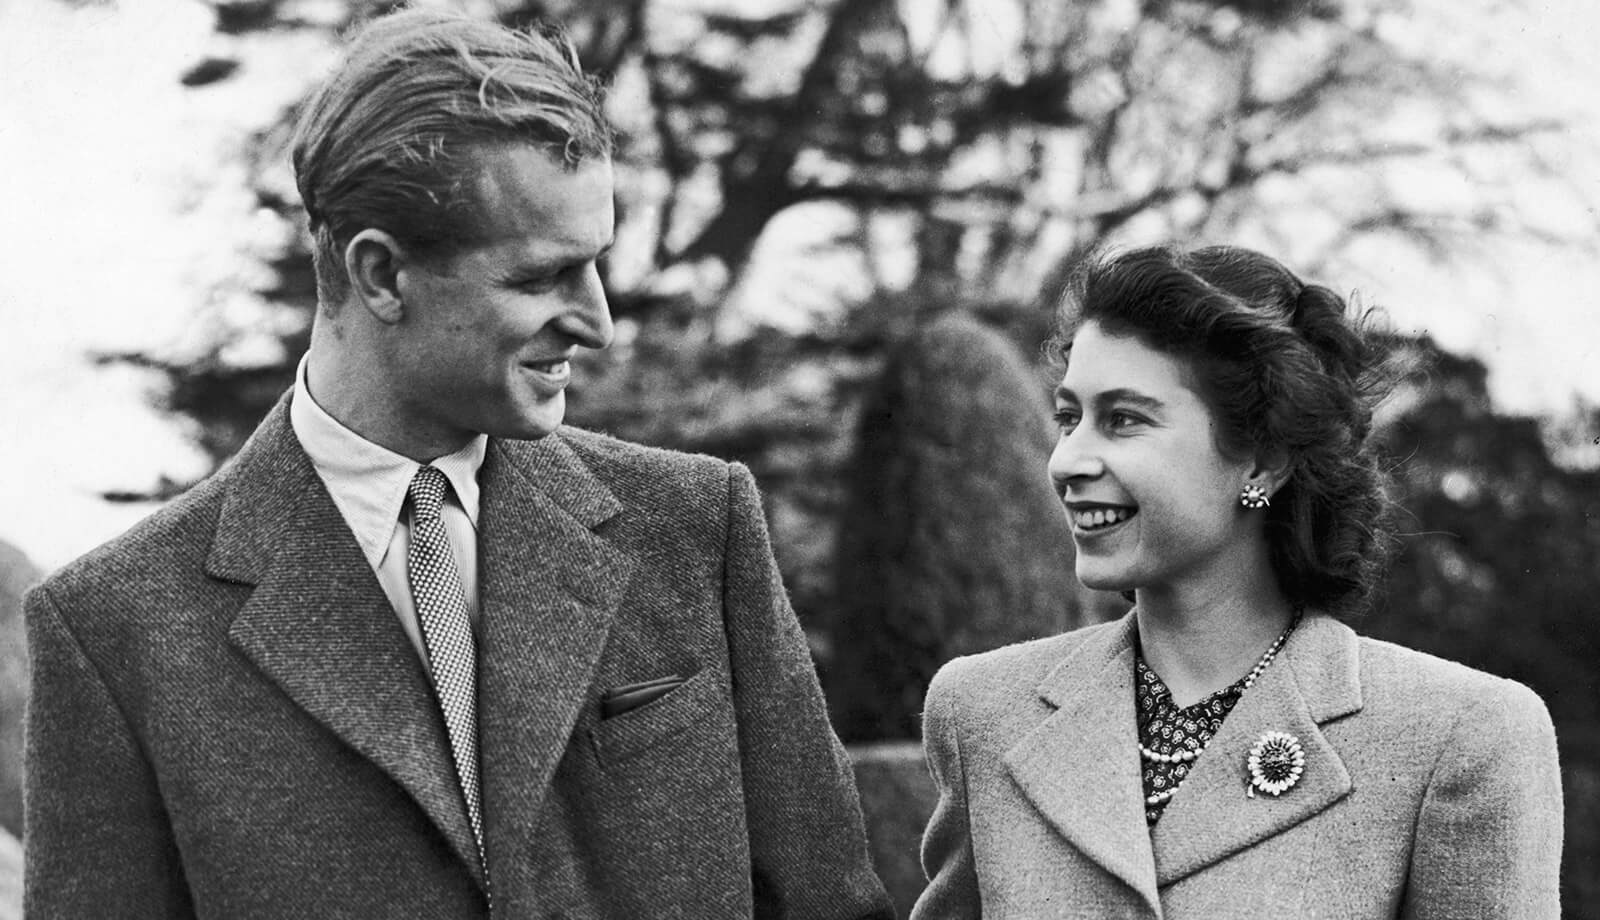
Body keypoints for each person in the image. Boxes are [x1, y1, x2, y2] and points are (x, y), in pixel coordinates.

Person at [23, 9, 891, 918]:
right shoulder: (115, 629)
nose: (598, 323)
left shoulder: (698, 525)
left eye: (597, 265)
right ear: (380, 275)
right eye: (540, 277)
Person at [910, 245, 1564, 918]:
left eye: (1124, 419)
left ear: (1263, 460)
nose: (1067, 461)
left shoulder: (1461, 737)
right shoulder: (982, 713)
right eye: (1069, 418)